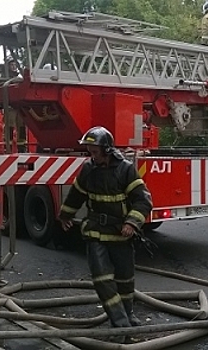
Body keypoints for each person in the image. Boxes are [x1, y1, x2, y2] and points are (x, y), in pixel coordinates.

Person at [59, 126, 153, 339]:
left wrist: (132, 223)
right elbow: (76, 195)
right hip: (95, 232)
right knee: (102, 279)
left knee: (125, 279)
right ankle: (120, 323)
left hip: (121, 232)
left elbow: (143, 200)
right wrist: (65, 215)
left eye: (94, 151)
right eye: (89, 151)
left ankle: (128, 314)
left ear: (107, 149)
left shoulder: (125, 169)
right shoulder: (88, 170)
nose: (91, 155)